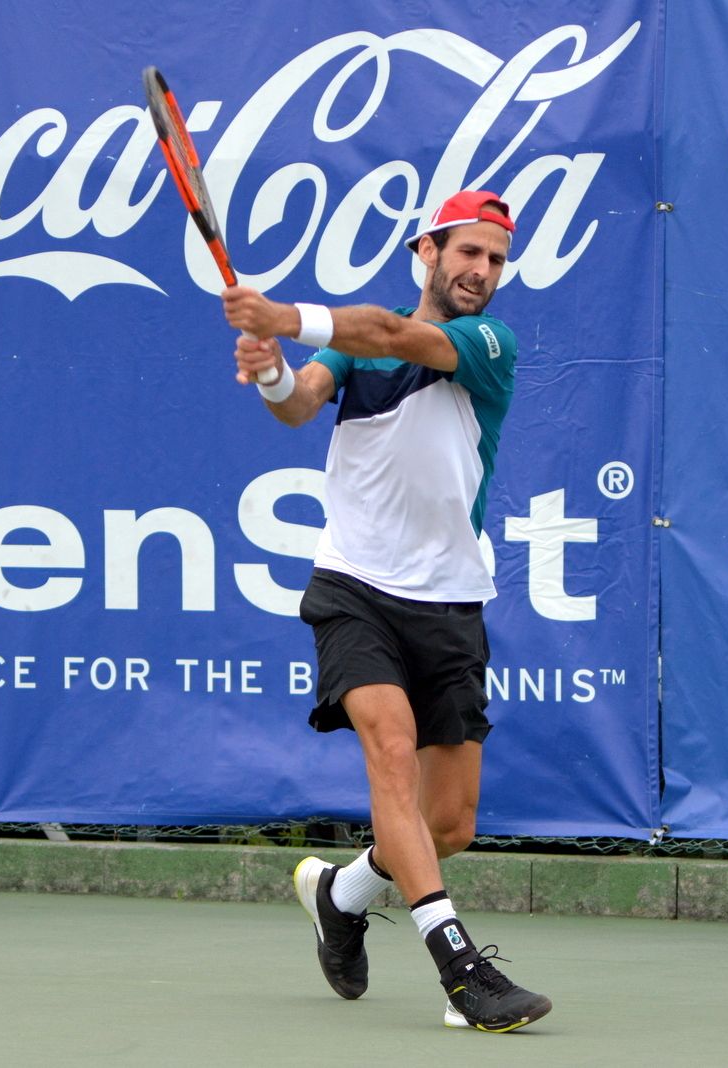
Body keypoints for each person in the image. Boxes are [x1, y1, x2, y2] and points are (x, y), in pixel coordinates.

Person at [221, 190, 552, 1034]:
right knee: (391, 753)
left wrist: (287, 313)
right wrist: (268, 364)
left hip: (451, 601)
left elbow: (392, 335)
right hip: (354, 589)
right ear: (427, 252)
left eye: (495, 259)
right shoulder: (358, 357)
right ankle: (462, 972)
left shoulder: (485, 344)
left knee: (451, 823)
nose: (481, 271)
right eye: (467, 252)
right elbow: (298, 401)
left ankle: (342, 892)